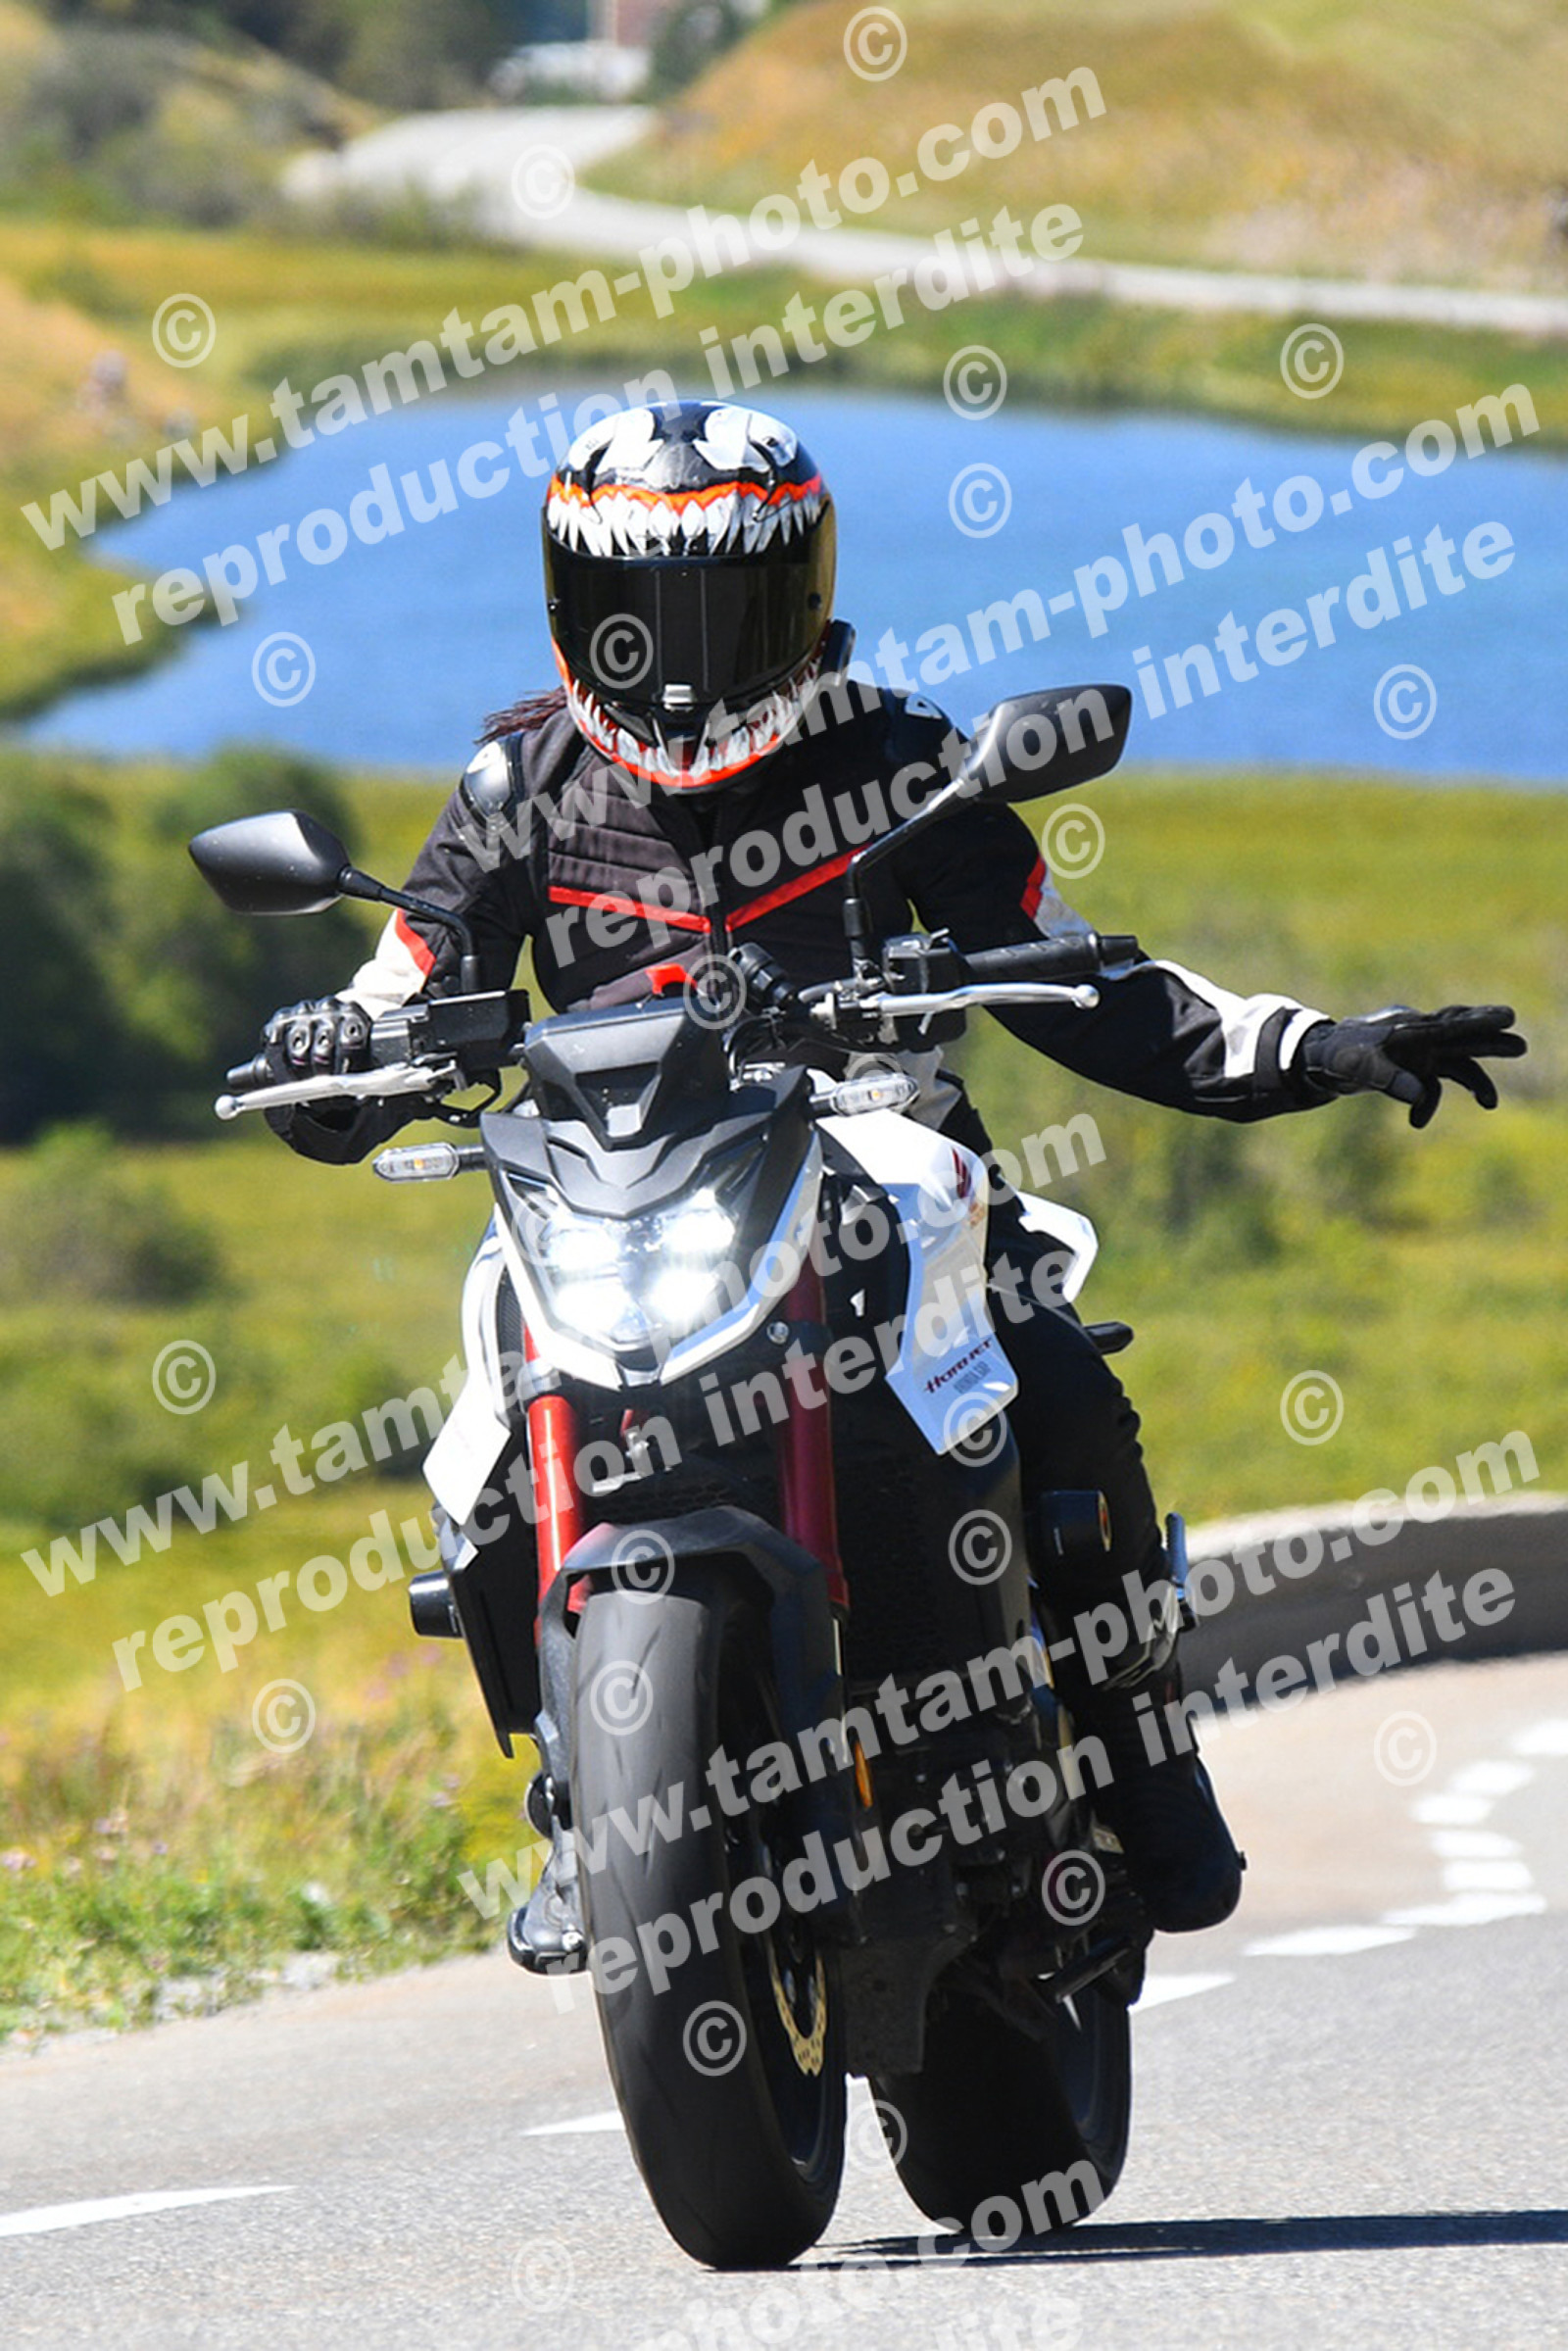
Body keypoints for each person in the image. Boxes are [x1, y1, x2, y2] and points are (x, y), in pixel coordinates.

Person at [256, 398, 1525, 1957]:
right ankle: (584, 1801)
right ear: (575, 602)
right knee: (483, 1448)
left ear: (801, 596)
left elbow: (1082, 975)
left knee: (1053, 1380)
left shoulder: (903, 761)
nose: (682, 658)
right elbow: (410, 975)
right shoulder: (519, 788)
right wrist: (333, 1047)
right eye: (641, 610)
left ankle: (1142, 1760)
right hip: (616, 1194)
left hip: (881, 1177)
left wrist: (1314, 1045)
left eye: (723, 609)